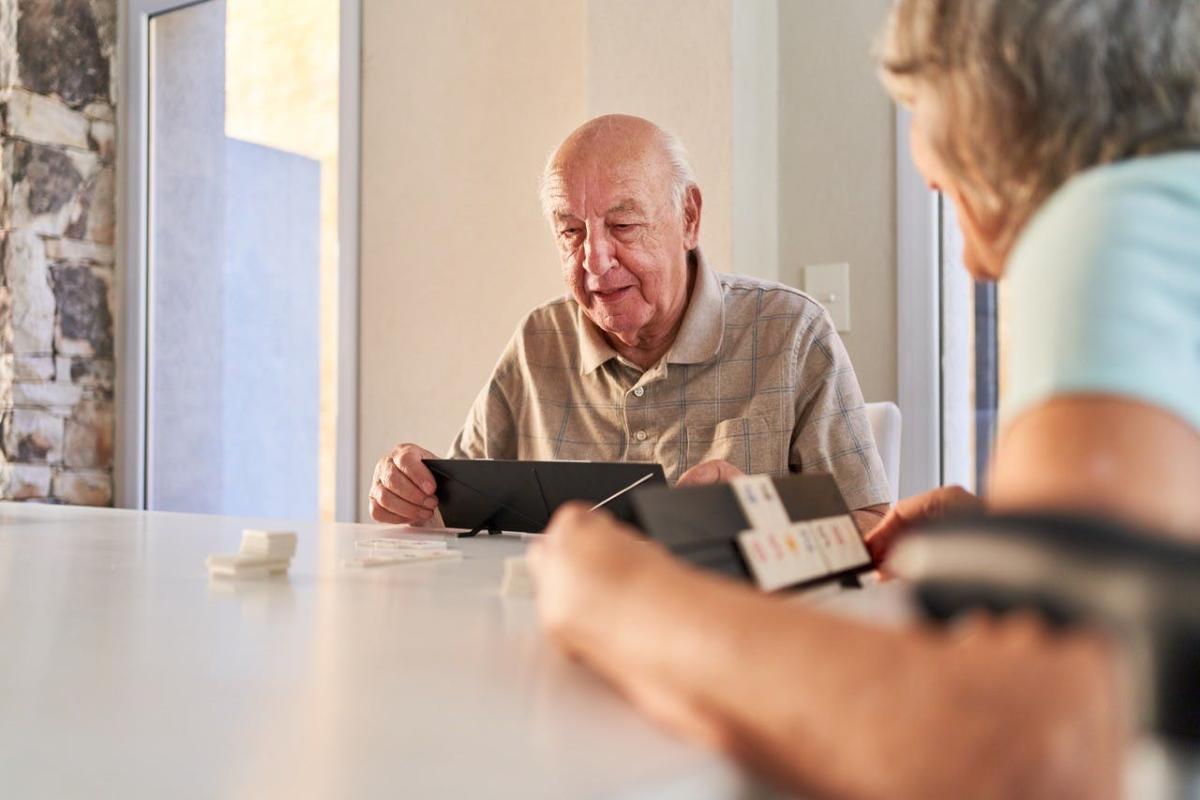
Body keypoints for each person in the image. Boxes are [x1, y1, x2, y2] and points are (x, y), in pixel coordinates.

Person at [526, 0, 1200, 796]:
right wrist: (1013, 544)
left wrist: (626, 602)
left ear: (985, 99)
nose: (970, 260)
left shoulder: (1106, 228)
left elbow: (1036, 753)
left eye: (915, 113)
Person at [368, 115, 891, 532]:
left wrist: (763, 516)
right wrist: (411, 490)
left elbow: (874, 530)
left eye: (623, 225)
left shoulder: (792, 332)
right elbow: (456, 519)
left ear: (689, 218)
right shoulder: (538, 342)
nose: (594, 261)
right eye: (571, 232)